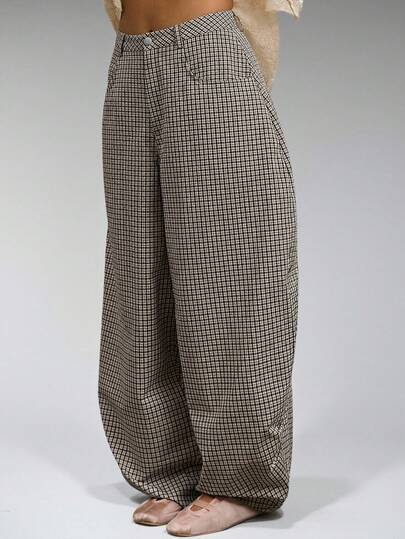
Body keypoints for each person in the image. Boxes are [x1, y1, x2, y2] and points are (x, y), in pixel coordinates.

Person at [99, 0, 303, 535]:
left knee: (230, 273)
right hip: (130, 59)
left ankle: (240, 480)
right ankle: (171, 467)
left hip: (206, 51)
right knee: (140, 273)